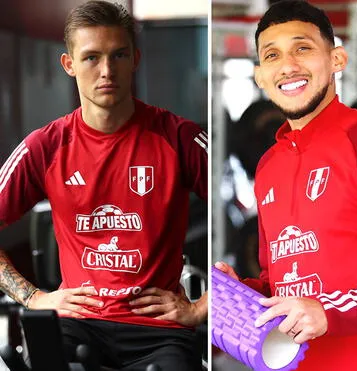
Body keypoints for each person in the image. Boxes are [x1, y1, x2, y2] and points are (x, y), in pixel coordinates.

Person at [214, 1, 357, 370]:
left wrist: (328, 312)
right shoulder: (267, 167)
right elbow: (280, 283)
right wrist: (240, 294)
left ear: (337, 60)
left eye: (303, 48)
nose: (288, 65)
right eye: (272, 55)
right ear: (261, 76)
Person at [0, 1, 208, 369]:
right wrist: (33, 298)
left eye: (119, 55)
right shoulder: (44, 147)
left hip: (159, 330)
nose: (107, 71)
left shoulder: (179, 138)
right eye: (92, 58)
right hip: (78, 325)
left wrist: (201, 307)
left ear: (135, 59)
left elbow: (255, 218)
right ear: (69, 65)